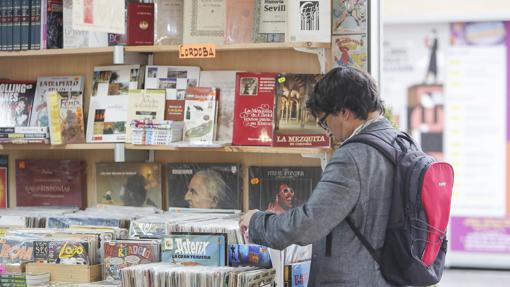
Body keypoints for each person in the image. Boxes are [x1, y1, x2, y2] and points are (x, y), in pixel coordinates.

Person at [240, 66, 409, 286]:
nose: (325, 130)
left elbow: (307, 224)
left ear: (345, 112)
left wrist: (256, 222)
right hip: (392, 276)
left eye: (324, 120)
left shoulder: (352, 157)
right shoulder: (400, 142)